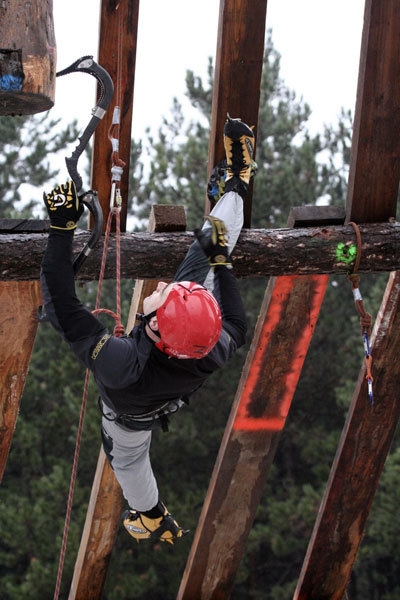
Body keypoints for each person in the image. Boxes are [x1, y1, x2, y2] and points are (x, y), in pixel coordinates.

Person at [40, 115, 255, 544]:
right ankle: (238, 183)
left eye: (162, 297)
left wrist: (60, 232)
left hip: (131, 416)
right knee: (209, 244)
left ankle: (151, 514)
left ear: (155, 329)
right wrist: (219, 261)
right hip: (149, 402)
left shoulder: (122, 365)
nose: (160, 287)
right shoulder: (203, 342)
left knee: (127, 460)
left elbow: (61, 305)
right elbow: (236, 324)